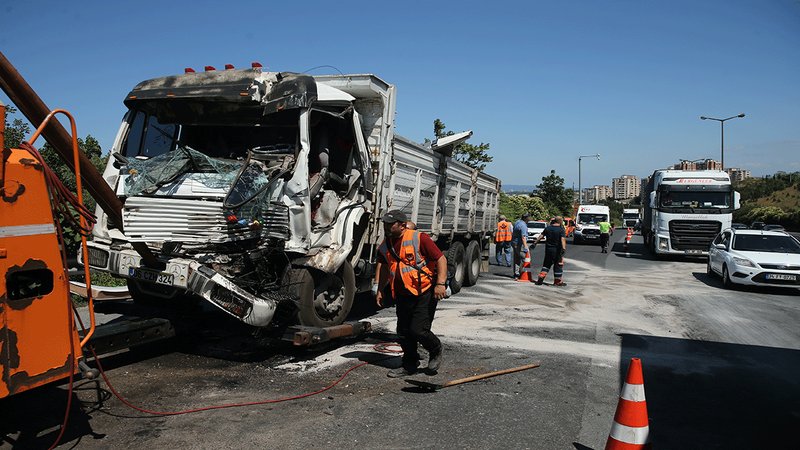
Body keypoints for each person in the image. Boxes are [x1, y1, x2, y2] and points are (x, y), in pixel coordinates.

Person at [375, 210, 448, 377]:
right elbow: (384, 267)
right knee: (403, 331)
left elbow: (441, 259)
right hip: (402, 293)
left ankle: (435, 349)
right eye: (384, 223)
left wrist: (440, 284)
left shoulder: (419, 238)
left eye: (390, 224)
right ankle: (409, 364)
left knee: (419, 330)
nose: (386, 227)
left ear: (402, 225)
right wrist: (380, 290)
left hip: (424, 291)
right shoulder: (385, 244)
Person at [533, 217, 568, 286]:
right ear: (560, 221)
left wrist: (535, 243)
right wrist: (563, 249)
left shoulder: (548, 228)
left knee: (546, 265)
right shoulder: (561, 229)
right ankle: (557, 281)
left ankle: (541, 276)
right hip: (557, 251)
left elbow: (541, 236)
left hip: (548, 250)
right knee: (558, 266)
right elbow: (562, 239)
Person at [511, 213, 530, 279]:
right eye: (529, 217)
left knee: (517, 259)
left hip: (514, 242)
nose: (530, 219)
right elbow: (523, 237)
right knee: (524, 258)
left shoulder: (517, 222)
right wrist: (525, 246)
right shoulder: (523, 225)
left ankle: (516, 273)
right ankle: (521, 273)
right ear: (526, 218)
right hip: (520, 244)